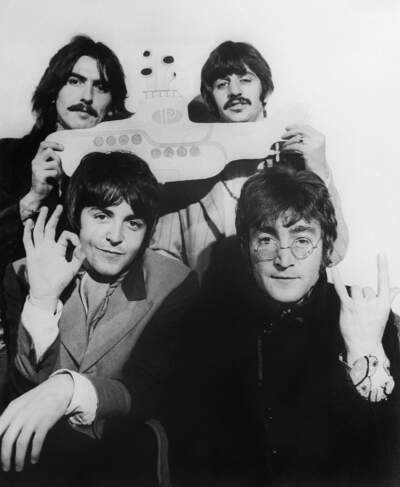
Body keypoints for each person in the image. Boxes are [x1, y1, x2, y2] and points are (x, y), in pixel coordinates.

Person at [184, 167, 400, 486]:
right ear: (246, 246)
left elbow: (387, 463)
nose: (284, 259)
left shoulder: (366, 314)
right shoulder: (208, 324)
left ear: (326, 247)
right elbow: (194, 456)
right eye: (267, 239)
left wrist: (364, 354)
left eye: (301, 239)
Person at [0, 151, 197, 486]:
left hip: (123, 462)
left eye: (133, 223)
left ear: (148, 231)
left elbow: (150, 391)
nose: (115, 236)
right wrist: (42, 300)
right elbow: (20, 393)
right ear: (77, 216)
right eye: (103, 216)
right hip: (39, 464)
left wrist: (70, 389)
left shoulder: (174, 281)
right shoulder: (23, 272)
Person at [0, 34, 131, 405]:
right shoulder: (8, 156)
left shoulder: (122, 170)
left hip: (90, 350)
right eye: (75, 81)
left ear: (112, 103)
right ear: (53, 89)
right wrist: (32, 197)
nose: (86, 96)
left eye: (100, 86)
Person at [152, 41, 349, 280]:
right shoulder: (190, 171)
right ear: (211, 97)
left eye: (245, 79)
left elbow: (334, 251)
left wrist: (319, 171)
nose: (234, 91)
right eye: (222, 84)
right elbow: (160, 254)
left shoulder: (297, 161)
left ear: (264, 89)